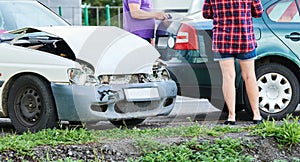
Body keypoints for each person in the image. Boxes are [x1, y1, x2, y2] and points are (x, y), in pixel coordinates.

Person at [202, 0, 264, 125]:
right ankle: (256, 115)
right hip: (244, 38)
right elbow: (258, 12)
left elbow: (206, 13)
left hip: (223, 39)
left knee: (228, 77)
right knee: (249, 76)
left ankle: (231, 116)